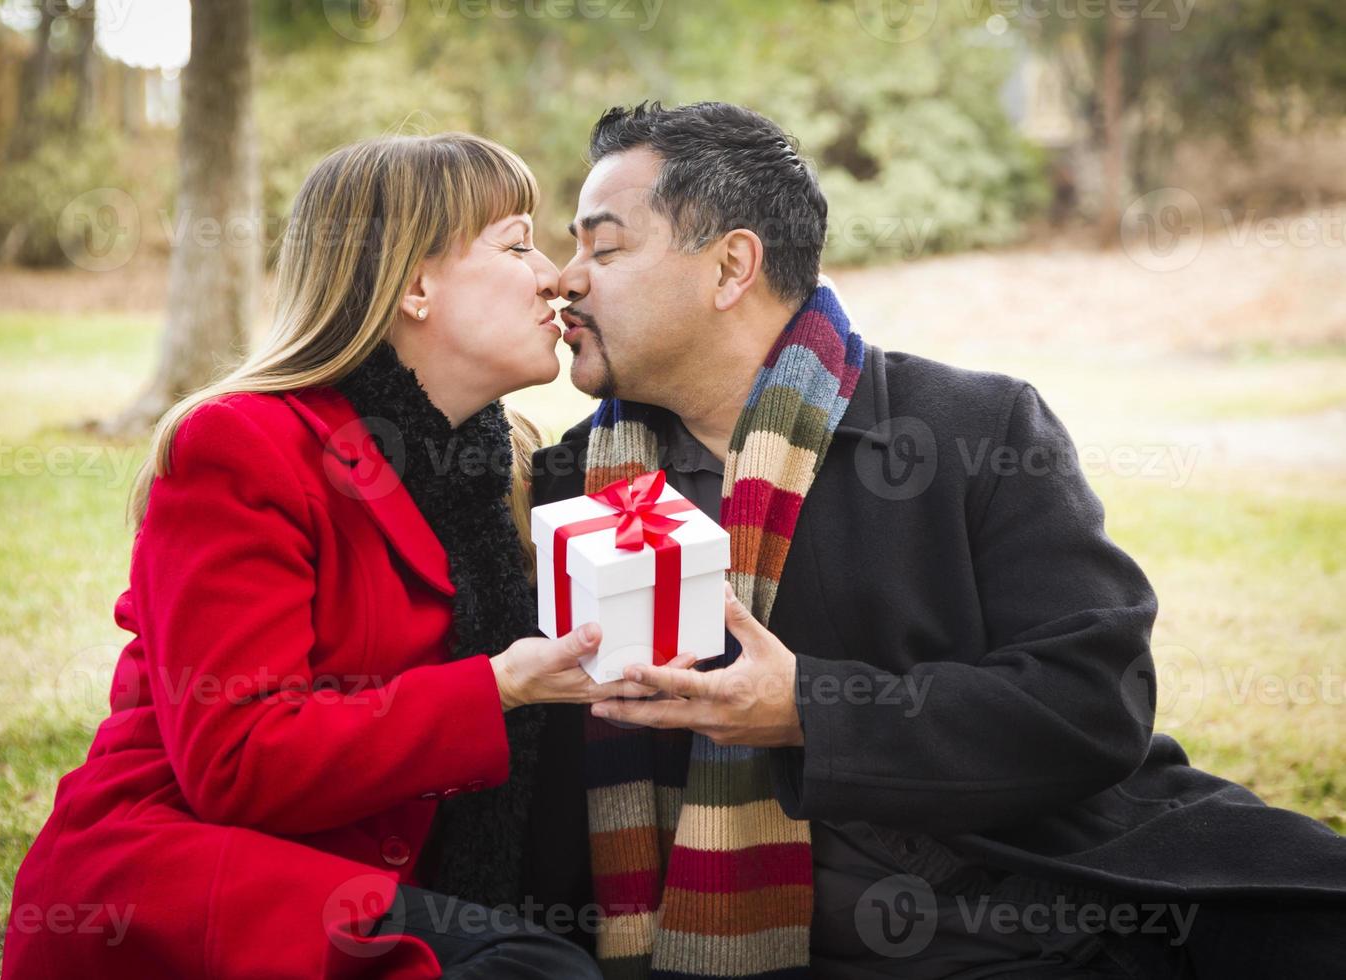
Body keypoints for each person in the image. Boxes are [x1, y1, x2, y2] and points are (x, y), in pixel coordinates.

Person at [520, 101, 1346, 979]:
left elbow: (1092, 703)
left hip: (1050, 907)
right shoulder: (572, 491)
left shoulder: (970, 429)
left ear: (732, 266)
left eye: (603, 249)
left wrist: (810, 713)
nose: (565, 280)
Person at [1, 133, 650, 979]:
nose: (553, 276)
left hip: (369, 884)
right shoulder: (244, 446)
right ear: (415, 285)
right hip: (189, 884)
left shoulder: (506, 468)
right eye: (518, 241)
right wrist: (499, 685)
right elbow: (238, 762)